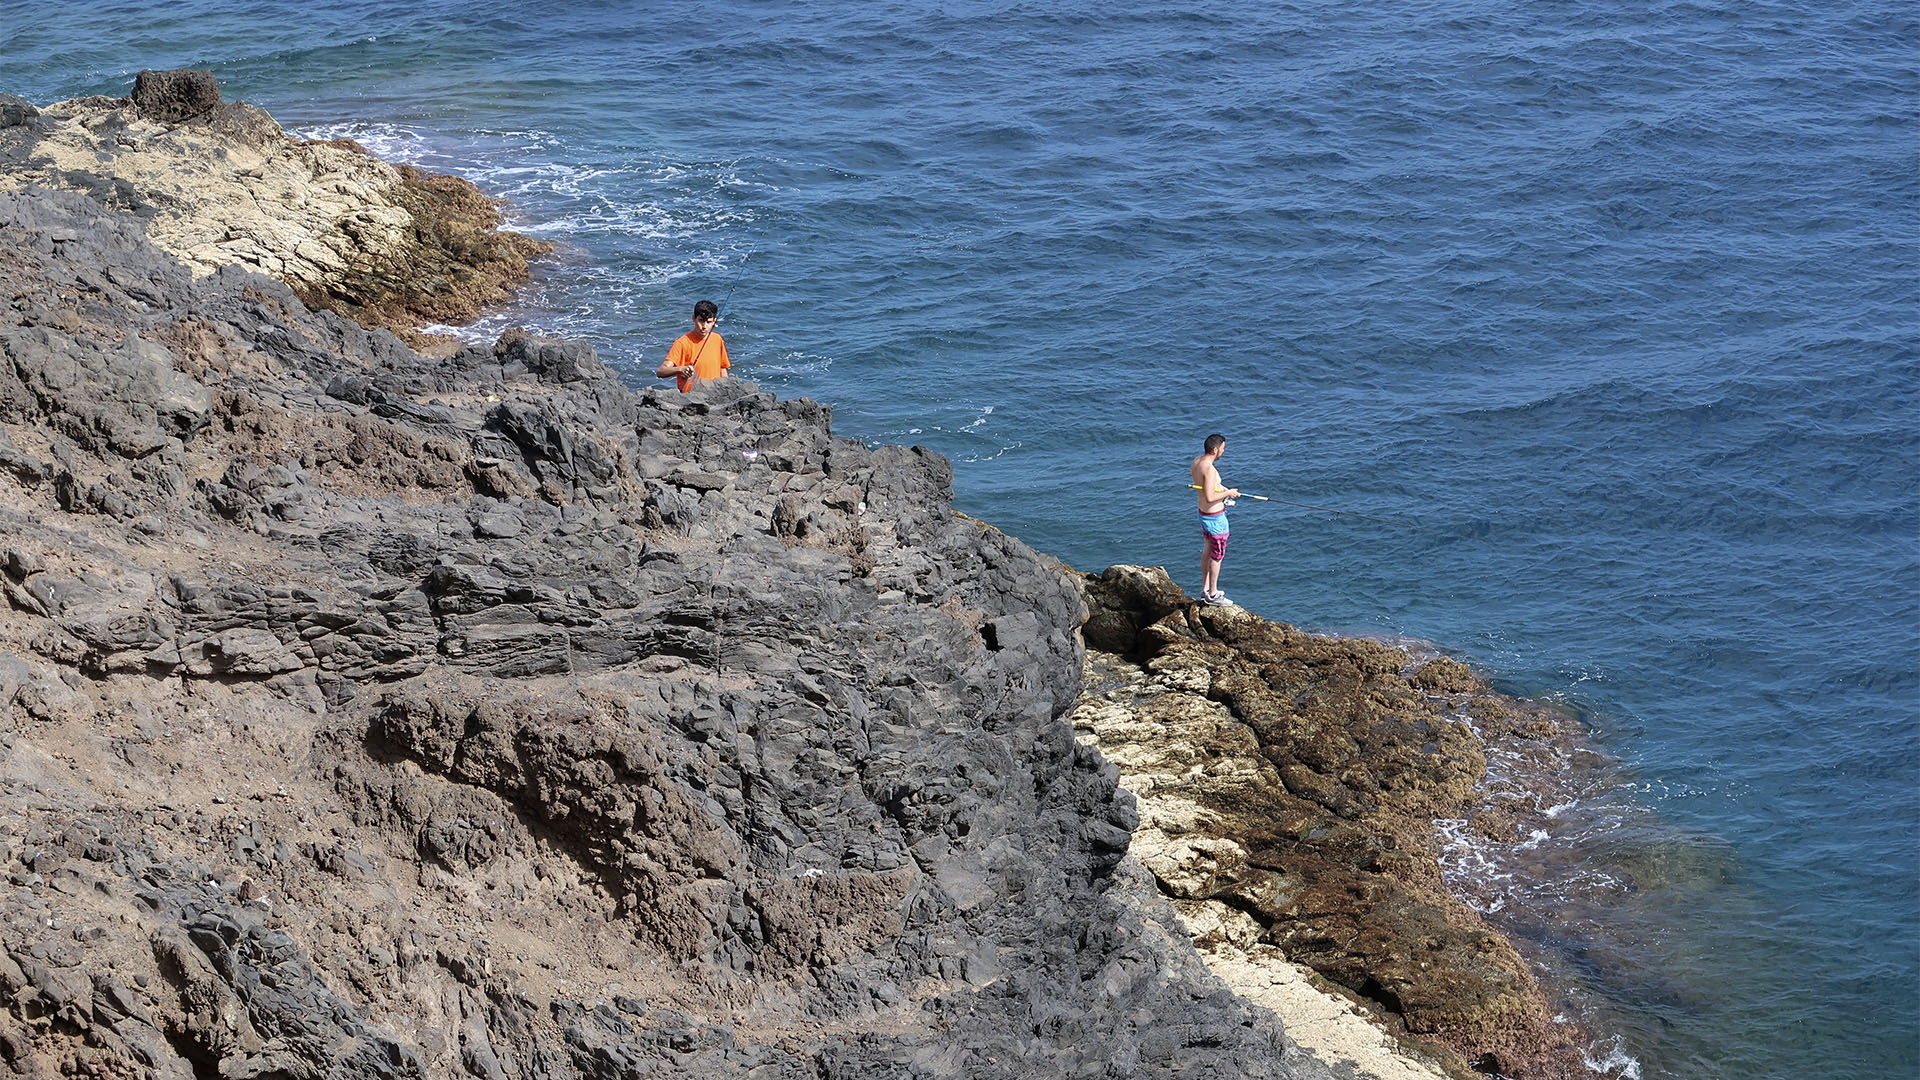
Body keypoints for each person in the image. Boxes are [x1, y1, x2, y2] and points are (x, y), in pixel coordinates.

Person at [1191, 433, 1240, 606]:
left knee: (1207, 549)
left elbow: (1208, 488)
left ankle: (1205, 590)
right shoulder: (1210, 469)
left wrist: (1223, 489)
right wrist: (1229, 493)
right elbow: (1211, 496)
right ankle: (1213, 594)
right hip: (1215, 518)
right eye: (1223, 449)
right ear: (1215, 449)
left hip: (1204, 514)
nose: (1223, 452)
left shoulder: (1197, 462)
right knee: (1217, 556)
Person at [655, 299, 730, 392]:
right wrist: (680, 369)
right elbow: (661, 371)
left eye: (709, 322)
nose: (704, 326)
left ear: (714, 321)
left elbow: (722, 368)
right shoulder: (682, 343)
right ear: (694, 318)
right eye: (701, 321)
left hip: (715, 395)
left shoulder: (717, 339)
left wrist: (727, 388)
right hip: (690, 398)